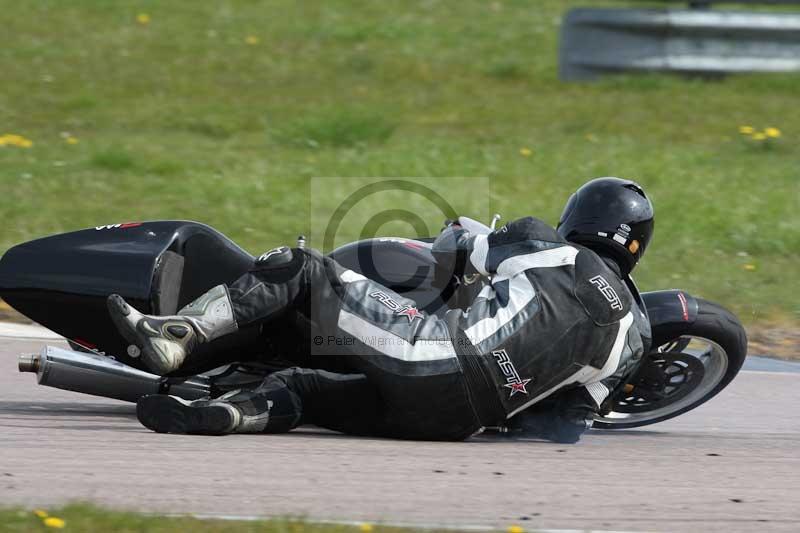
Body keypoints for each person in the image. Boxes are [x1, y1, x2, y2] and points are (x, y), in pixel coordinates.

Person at [108, 177, 653, 443]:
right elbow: (559, 427)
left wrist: (459, 229)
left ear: (576, 218)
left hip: (434, 355)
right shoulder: (635, 338)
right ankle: (227, 414)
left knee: (302, 265)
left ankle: (180, 333)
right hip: (458, 422)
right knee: (304, 388)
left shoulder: (547, 244)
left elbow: (456, 247)